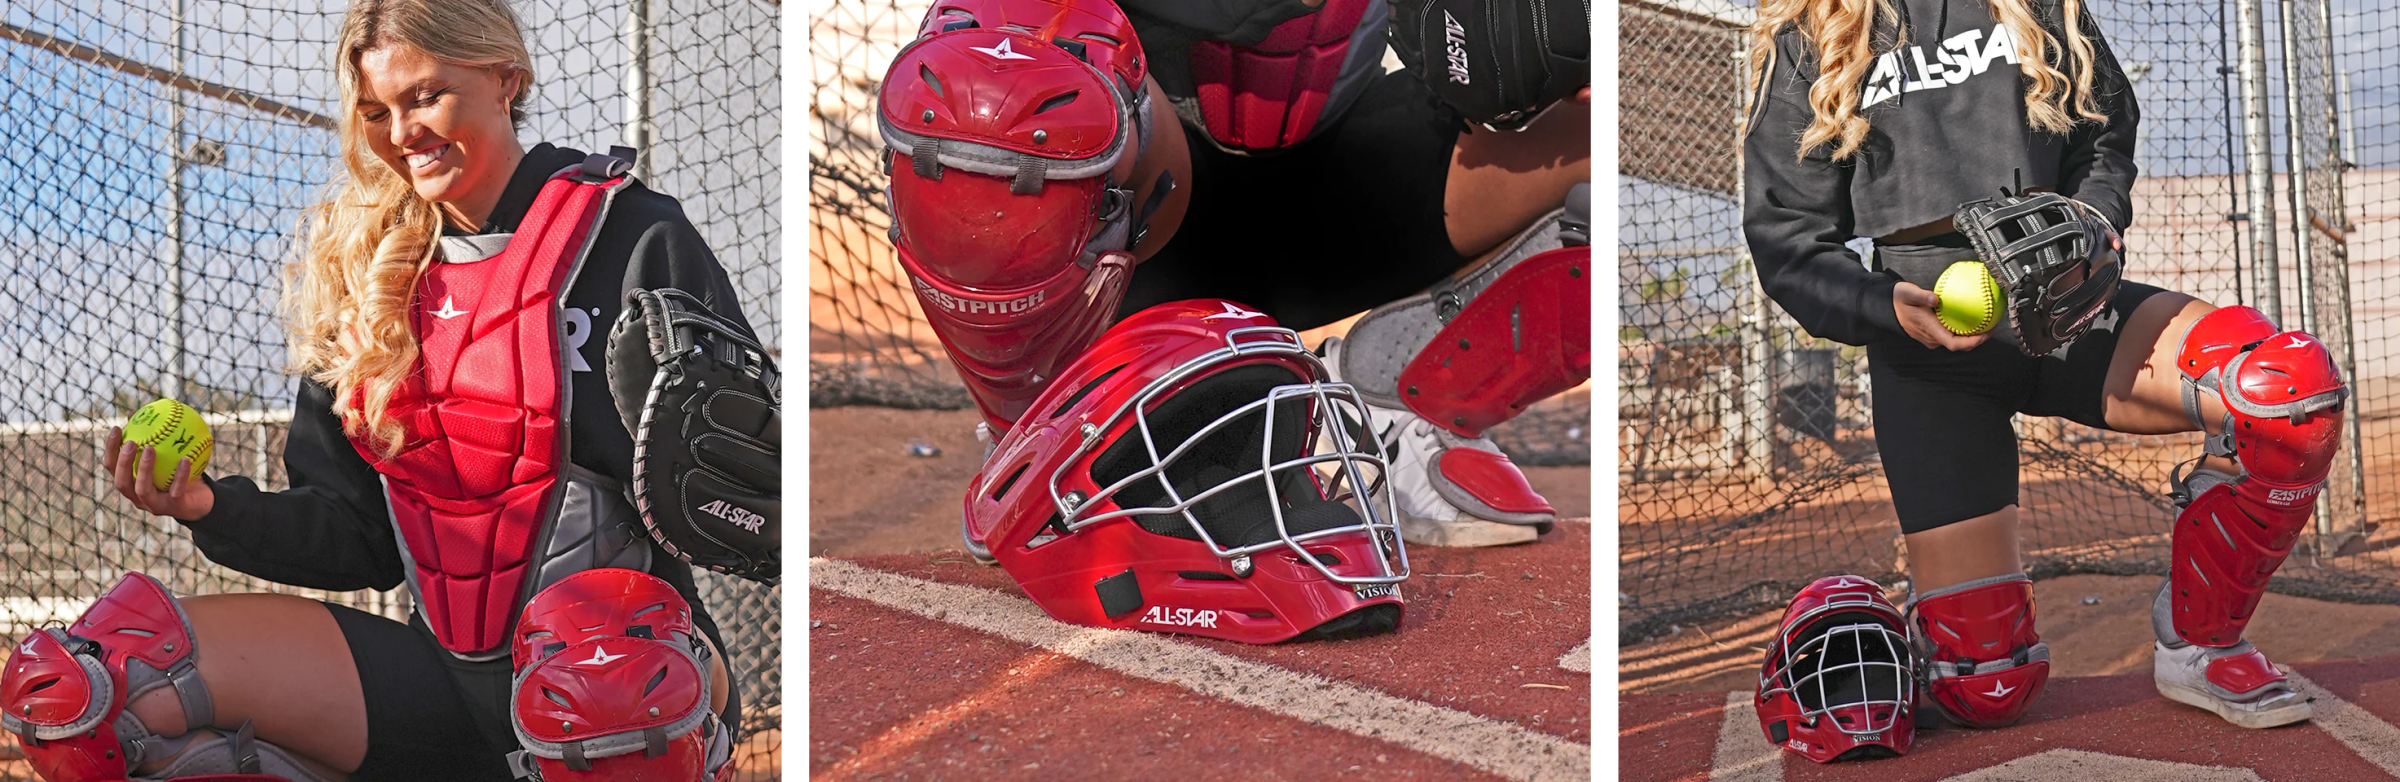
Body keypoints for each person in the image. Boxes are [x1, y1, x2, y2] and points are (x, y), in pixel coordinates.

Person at [0, 0, 759, 779]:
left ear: (507, 78)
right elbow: (355, 536)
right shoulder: (364, 276)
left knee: (603, 687)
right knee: (88, 690)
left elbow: (736, 487)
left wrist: (729, 490)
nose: (401, 133)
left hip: (630, 679)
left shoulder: (631, 234)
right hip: (444, 676)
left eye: (425, 96)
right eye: (375, 111)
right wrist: (210, 507)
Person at [1741, 0, 2345, 754]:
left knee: (2286, 388)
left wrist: (2089, 224)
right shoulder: (1816, 31)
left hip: (2073, 305)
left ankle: (2201, 647)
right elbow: (1785, 240)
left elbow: (2105, 139)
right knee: (1987, 690)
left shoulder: (2034, 6)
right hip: (1929, 342)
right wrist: (1880, 304)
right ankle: (1906, 618)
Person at [880, 0, 1592, 551]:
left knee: (1612, 112)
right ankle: (1042, 442)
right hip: (1146, 211)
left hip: (1337, 186)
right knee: (999, 67)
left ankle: (1399, 400)